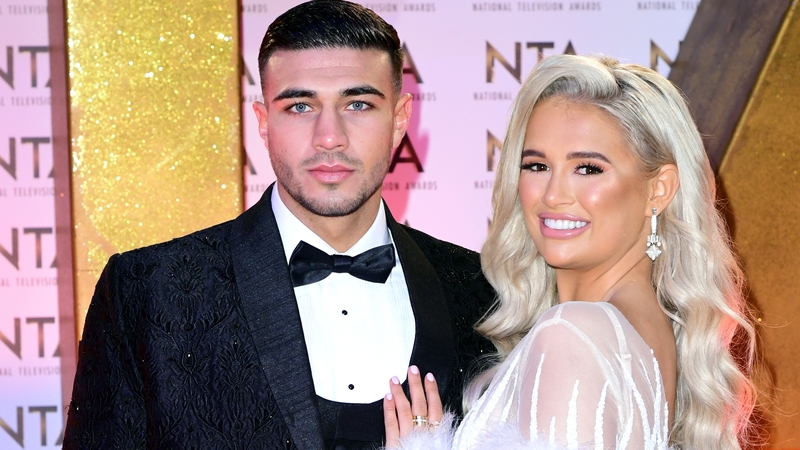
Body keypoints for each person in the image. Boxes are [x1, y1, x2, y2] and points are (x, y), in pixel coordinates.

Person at [62, 1, 495, 449]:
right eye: (301, 106)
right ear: (264, 123)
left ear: (400, 120)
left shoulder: (483, 292)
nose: (330, 137)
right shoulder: (147, 292)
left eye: (358, 104)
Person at [384, 54, 757, 449]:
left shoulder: (571, 333)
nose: (553, 195)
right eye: (536, 165)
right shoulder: (651, 333)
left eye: (588, 168)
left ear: (658, 189)